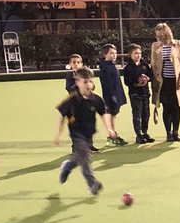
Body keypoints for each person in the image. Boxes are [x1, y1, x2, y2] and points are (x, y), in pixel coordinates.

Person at [54, 67, 105, 196]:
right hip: (76, 133)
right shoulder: (72, 99)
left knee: (80, 156)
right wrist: (58, 134)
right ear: (77, 82)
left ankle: (68, 166)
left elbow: (103, 114)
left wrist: (110, 129)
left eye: (90, 81)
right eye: (85, 81)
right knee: (85, 158)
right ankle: (92, 183)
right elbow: (62, 115)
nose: (88, 84)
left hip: (88, 133)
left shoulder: (96, 99)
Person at [151, 22, 180, 142]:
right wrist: (156, 76)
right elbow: (153, 63)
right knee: (166, 107)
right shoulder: (155, 46)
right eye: (158, 36)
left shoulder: (178, 44)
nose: (160, 39)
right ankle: (168, 133)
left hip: (176, 81)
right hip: (163, 82)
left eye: (162, 36)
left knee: (176, 107)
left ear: (167, 34)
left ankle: (176, 132)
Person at [122, 44, 155, 144]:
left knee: (146, 114)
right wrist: (137, 82)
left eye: (140, 53)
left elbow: (151, 76)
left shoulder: (144, 64)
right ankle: (139, 134)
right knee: (137, 115)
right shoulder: (128, 68)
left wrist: (147, 79)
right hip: (135, 94)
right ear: (130, 54)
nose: (138, 55)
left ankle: (145, 132)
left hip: (145, 93)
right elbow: (127, 82)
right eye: (136, 53)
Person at [97, 44, 129, 146]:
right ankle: (113, 135)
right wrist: (112, 96)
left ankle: (113, 135)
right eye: (111, 53)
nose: (114, 55)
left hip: (116, 94)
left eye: (115, 53)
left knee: (114, 115)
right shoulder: (105, 67)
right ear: (105, 54)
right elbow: (107, 84)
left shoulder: (111, 65)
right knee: (112, 114)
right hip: (111, 95)